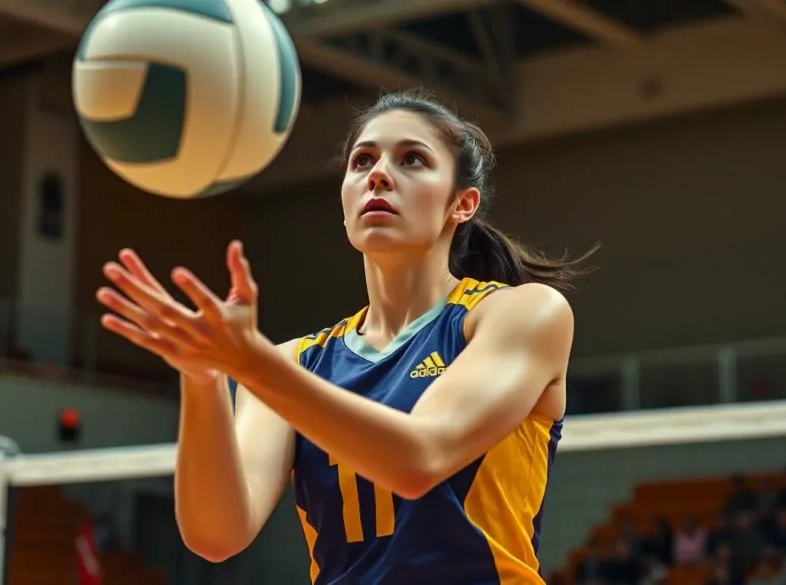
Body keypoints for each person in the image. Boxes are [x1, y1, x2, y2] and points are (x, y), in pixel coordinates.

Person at [95, 89, 595, 584]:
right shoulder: (295, 362)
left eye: (413, 159)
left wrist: (252, 365)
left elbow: (419, 459)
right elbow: (217, 535)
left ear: (461, 205)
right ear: (344, 203)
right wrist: (201, 381)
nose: (378, 174)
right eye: (362, 162)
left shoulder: (521, 313)